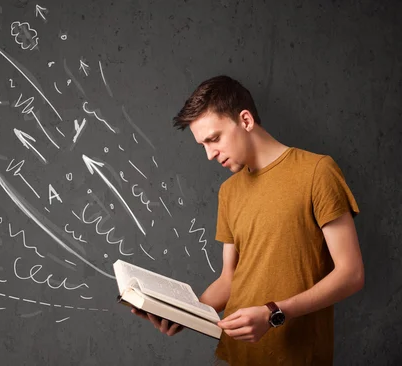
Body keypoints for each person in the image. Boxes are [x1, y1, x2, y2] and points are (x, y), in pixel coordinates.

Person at [131, 75, 364, 365]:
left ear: (245, 120)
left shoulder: (317, 171)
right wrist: (182, 313)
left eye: (214, 139)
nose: (209, 154)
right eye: (202, 144)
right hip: (238, 356)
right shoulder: (228, 192)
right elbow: (229, 279)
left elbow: (351, 274)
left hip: (297, 356)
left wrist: (274, 313)